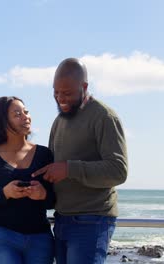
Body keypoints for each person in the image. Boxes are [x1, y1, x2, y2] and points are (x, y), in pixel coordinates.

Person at [32, 58, 128, 264]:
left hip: (92, 221)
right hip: (62, 219)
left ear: (84, 87)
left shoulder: (104, 116)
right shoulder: (58, 121)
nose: (60, 99)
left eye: (67, 93)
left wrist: (69, 169)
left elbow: (118, 170)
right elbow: (53, 166)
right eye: (56, 92)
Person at [0, 96, 55, 264]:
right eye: (17, 114)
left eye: (26, 112)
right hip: (1, 239)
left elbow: (55, 201)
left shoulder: (45, 154)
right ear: (3, 121)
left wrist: (42, 195)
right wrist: (5, 193)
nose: (25, 116)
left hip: (40, 239)